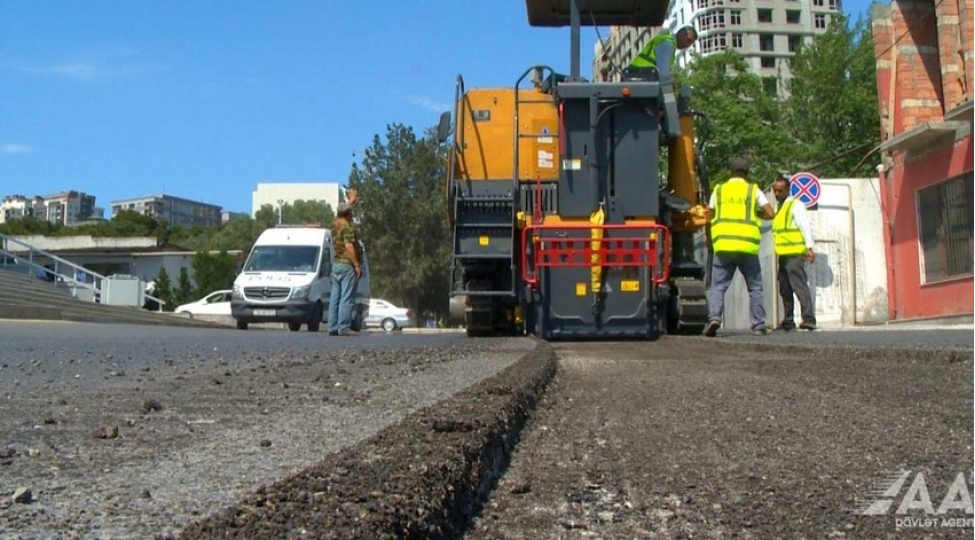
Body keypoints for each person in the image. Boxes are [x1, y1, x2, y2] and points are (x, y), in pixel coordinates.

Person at [704, 157, 775, 337]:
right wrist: (756, 214)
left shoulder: (718, 191)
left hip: (724, 246)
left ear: (730, 172)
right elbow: (770, 213)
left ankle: (714, 318)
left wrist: (709, 240)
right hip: (747, 247)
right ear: (747, 173)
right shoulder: (753, 190)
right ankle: (758, 325)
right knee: (755, 287)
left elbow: (708, 218)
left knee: (718, 286)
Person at [771, 175, 817, 331]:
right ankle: (788, 321)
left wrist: (809, 247)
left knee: (799, 286)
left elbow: (805, 226)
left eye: (780, 190)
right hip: (783, 254)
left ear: (787, 190)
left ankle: (809, 319)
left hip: (795, 253)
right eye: (775, 190)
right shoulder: (780, 207)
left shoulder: (795, 205)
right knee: (785, 289)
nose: (777, 194)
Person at [327, 189, 362, 337]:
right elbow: (349, 246)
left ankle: (332, 326)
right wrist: (357, 265)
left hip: (336, 265)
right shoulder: (346, 227)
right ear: (348, 215)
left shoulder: (335, 224)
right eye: (351, 213)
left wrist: (351, 202)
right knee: (347, 297)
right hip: (347, 265)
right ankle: (344, 326)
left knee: (335, 296)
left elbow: (342, 211)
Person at [628, 25, 698, 80]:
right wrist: (669, 96)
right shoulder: (668, 45)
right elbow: (663, 76)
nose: (687, 45)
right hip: (639, 77)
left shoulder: (667, 41)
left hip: (636, 77)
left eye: (690, 44)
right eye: (688, 40)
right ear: (682, 34)